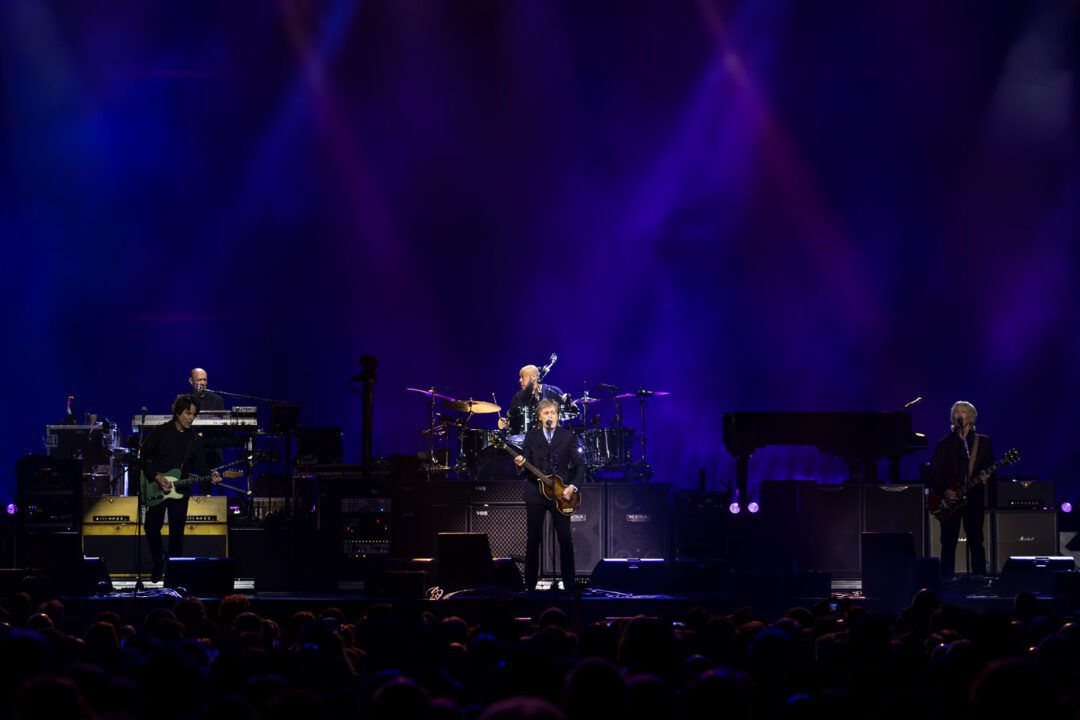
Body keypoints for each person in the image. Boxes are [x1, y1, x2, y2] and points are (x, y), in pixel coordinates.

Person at [138, 393, 222, 582]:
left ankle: (174, 574)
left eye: (194, 415)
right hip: (157, 487)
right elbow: (142, 458)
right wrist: (157, 477)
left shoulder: (194, 439)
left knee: (177, 534)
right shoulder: (161, 432)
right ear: (177, 412)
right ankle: (158, 560)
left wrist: (211, 477)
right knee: (151, 527)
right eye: (188, 413)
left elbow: (201, 467)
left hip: (181, 490)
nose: (191, 418)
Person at [513, 398, 584, 592]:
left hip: (561, 495)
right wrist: (520, 463)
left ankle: (569, 586)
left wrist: (573, 487)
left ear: (558, 416)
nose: (549, 416)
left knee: (565, 539)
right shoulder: (531, 437)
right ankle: (530, 586)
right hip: (535, 493)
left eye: (553, 413)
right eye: (546, 413)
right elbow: (525, 465)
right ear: (539, 417)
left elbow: (580, 466)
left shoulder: (568, 436)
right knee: (533, 540)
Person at [930, 400, 994, 578]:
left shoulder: (983, 442)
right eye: (957, 411)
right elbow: (934, 472)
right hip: (950, 500)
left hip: (973, 498)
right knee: (948, 542)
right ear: (952, 417)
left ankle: (979, 580)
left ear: (971, 417)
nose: (959, 414)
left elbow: (989, 466)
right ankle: (947, 580)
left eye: (964, 411)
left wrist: (986, 476)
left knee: (976, 540)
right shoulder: (944, 444)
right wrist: (946, 490)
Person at [499, 365, 570, 435]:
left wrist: (568, 402)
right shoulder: (518, 397)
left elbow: (570, 411)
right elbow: (512, 421)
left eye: (522, 377)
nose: (520, 380)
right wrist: (505, 422)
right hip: (527, 441)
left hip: (553, 439)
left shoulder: (553, 391)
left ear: (534, 377)